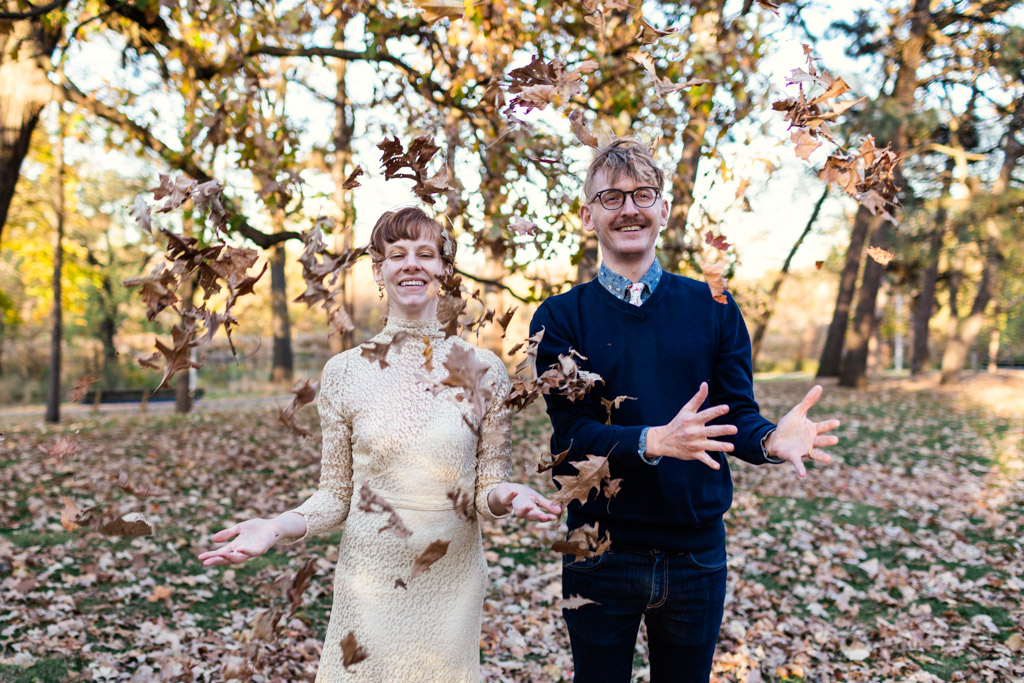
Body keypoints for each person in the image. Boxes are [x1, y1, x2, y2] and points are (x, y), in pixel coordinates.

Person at [199, 207, 561, 682]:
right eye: (397, 254)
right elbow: (334, 495)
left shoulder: (484, 369)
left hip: (450, 579)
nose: (411, 263)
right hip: (368, 581)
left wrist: (508, 495)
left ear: (444, 271)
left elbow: (486, 486)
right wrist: (276, 527)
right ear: (379, 271)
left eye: (425, 254)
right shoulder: (345, 373)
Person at [529, 139, 841, 683]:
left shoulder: (714, 308)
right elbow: (570, 439)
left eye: (643, 194)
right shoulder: (560, 318)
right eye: (611, 197)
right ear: (588, 215)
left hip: (695, 554)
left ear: (664, 210)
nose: (629, 208)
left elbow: (734, 416)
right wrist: (651, 440)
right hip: (599, 550)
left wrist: (769, 441)